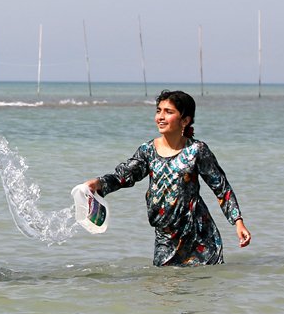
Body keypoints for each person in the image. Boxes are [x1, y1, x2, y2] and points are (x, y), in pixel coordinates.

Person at [85, 89, 251, 266]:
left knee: (201, 283)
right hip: (165, 239)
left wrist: (238, 222)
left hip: (200, 238)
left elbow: (221, 188)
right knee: (163, 282)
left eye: (168, 112)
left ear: (185, 120)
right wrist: (98, 183)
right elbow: (123, 177)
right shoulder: (148, 151)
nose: (161, 117)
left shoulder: (196, 150)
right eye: (159, 111)